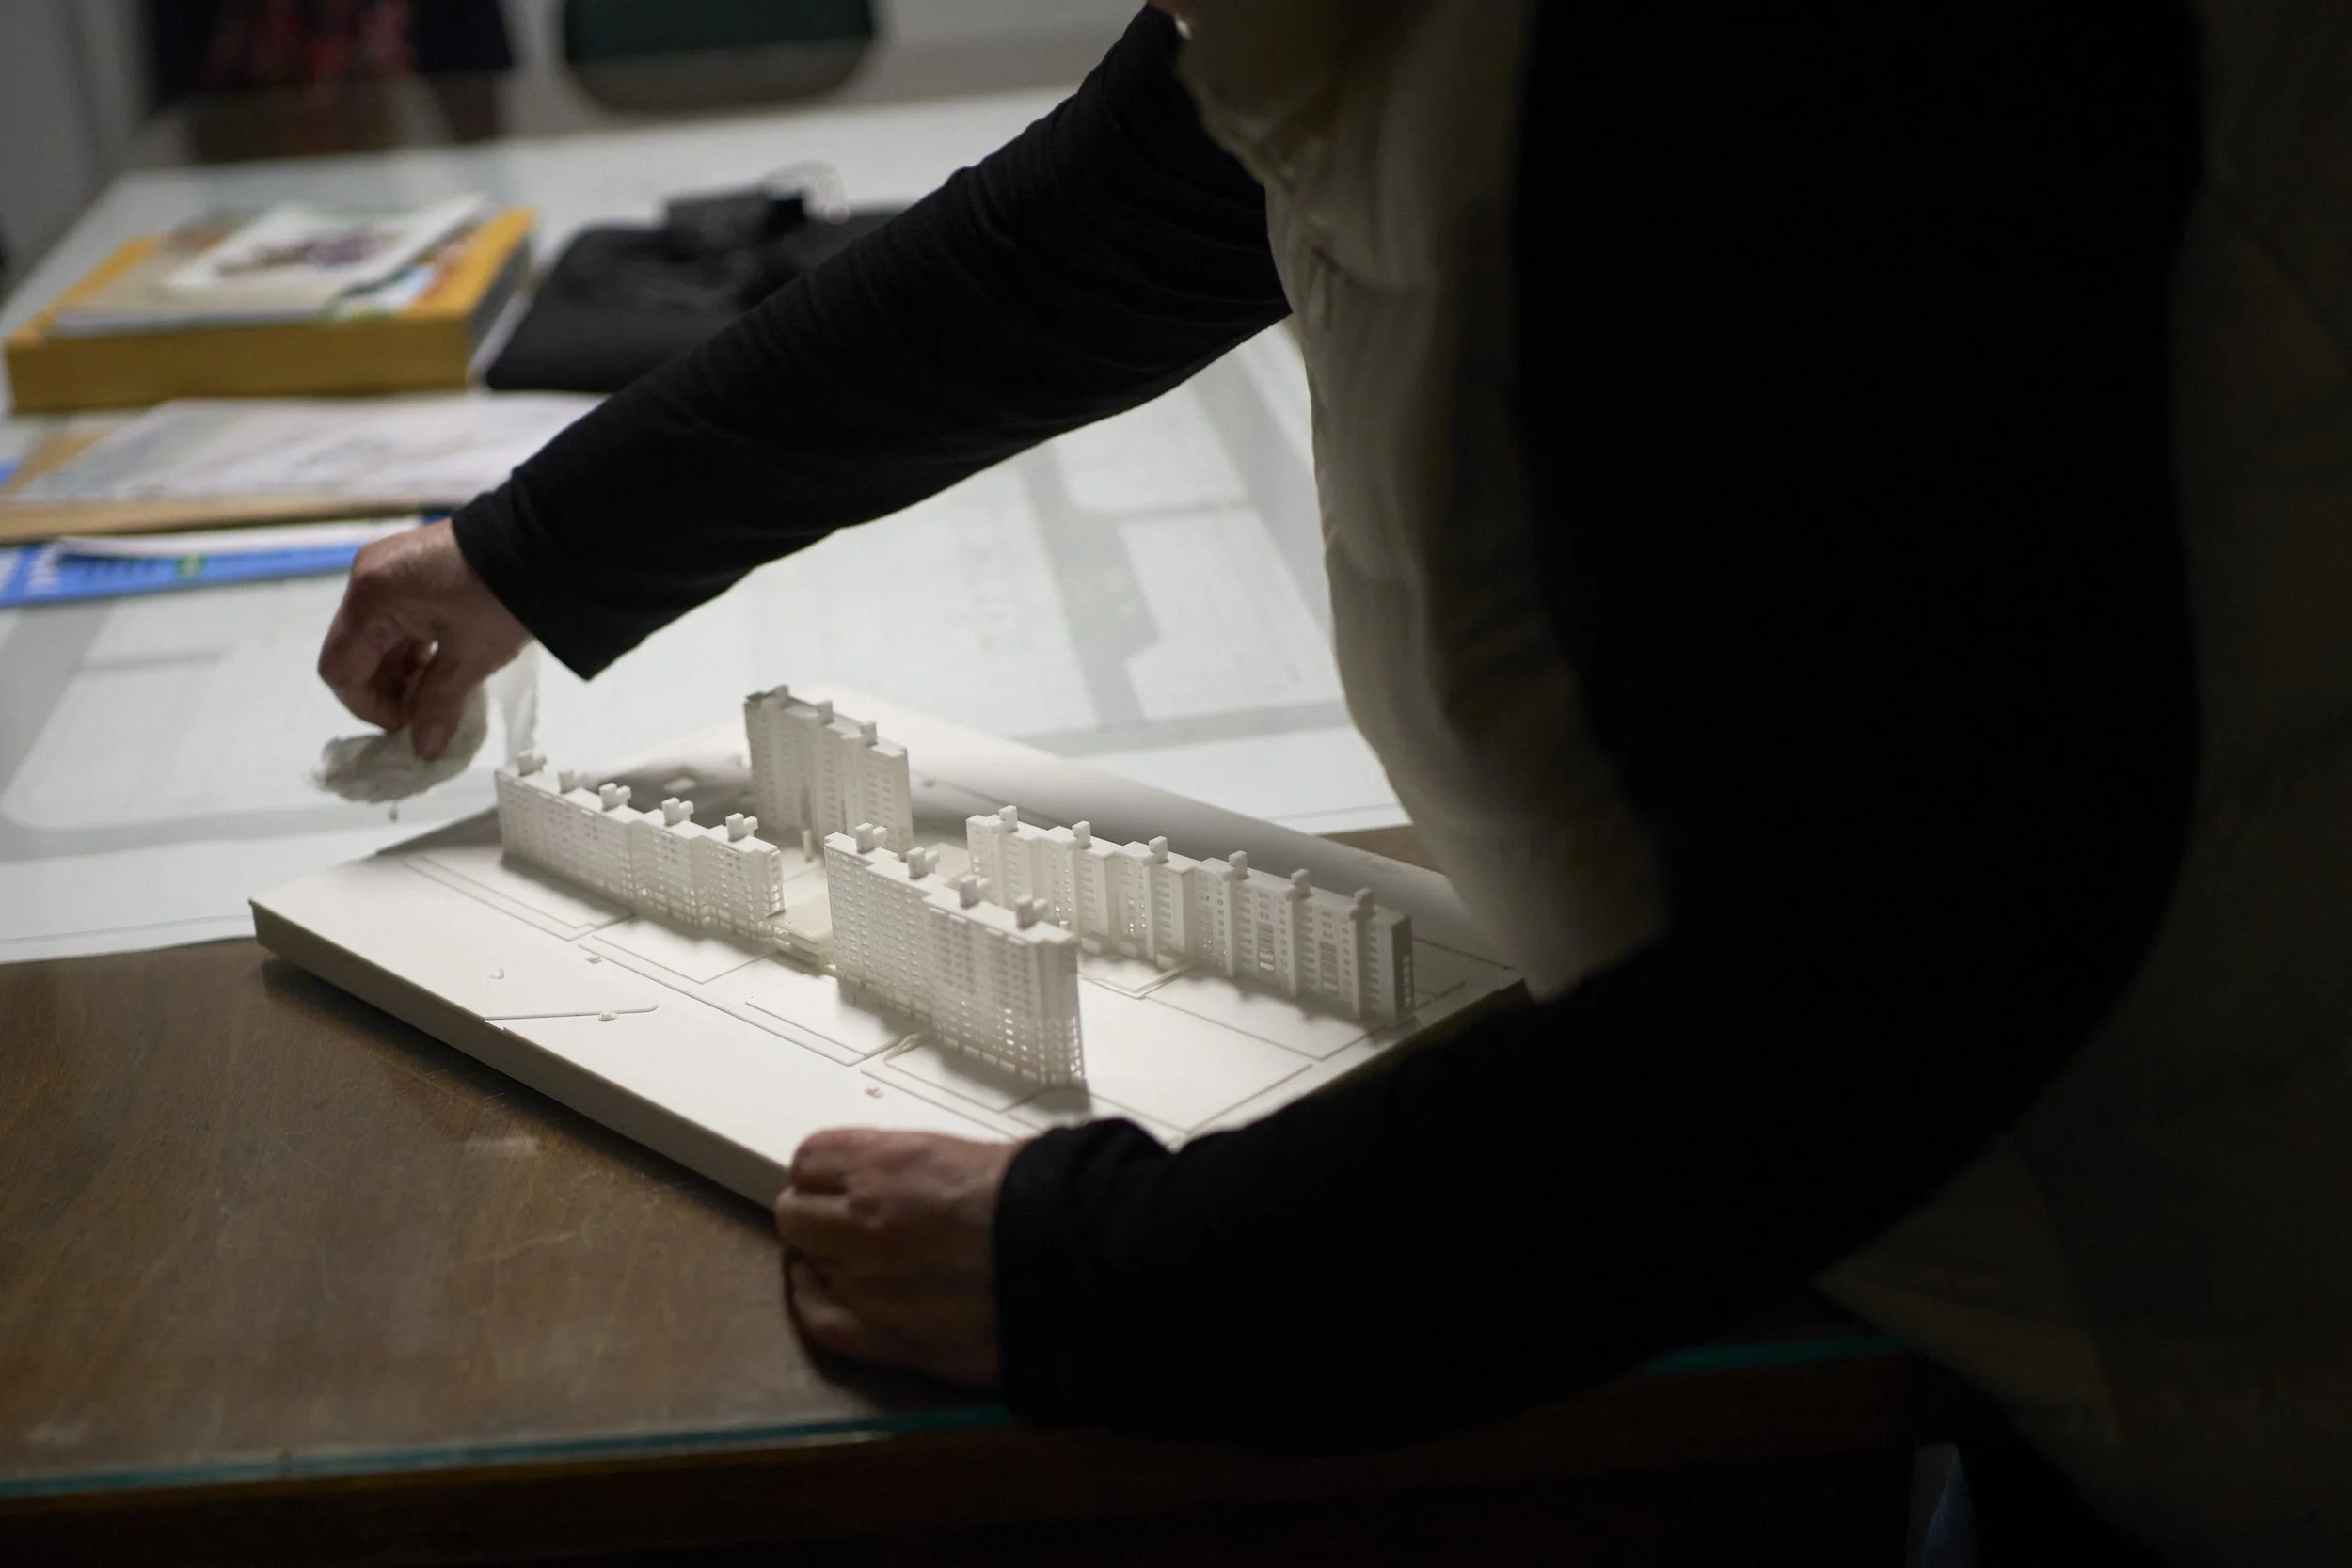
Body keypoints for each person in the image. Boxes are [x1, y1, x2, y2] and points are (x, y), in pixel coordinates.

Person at [320, 3, 2352, 1560]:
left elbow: (1887, 968)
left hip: (2207, 1293)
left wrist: (1110, 1272)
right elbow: (1099, 225)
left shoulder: (1781, 59)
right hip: (1974, 1225)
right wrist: (542, 547)